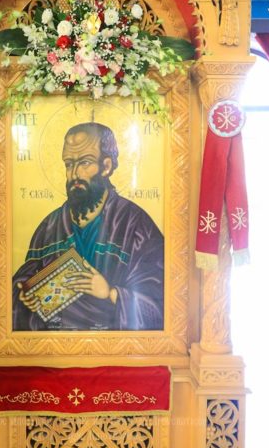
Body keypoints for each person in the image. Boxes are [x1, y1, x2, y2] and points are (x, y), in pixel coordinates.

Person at [13, 122, 164, 331]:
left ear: (106, 166)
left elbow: (160, 302)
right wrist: (25, 294)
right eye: (69, 164)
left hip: (114, 342)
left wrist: (110, 293)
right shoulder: (48, 227)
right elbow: (20, 291)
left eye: (85, 162)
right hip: (56, 341)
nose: (75, 174)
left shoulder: (136, 225)